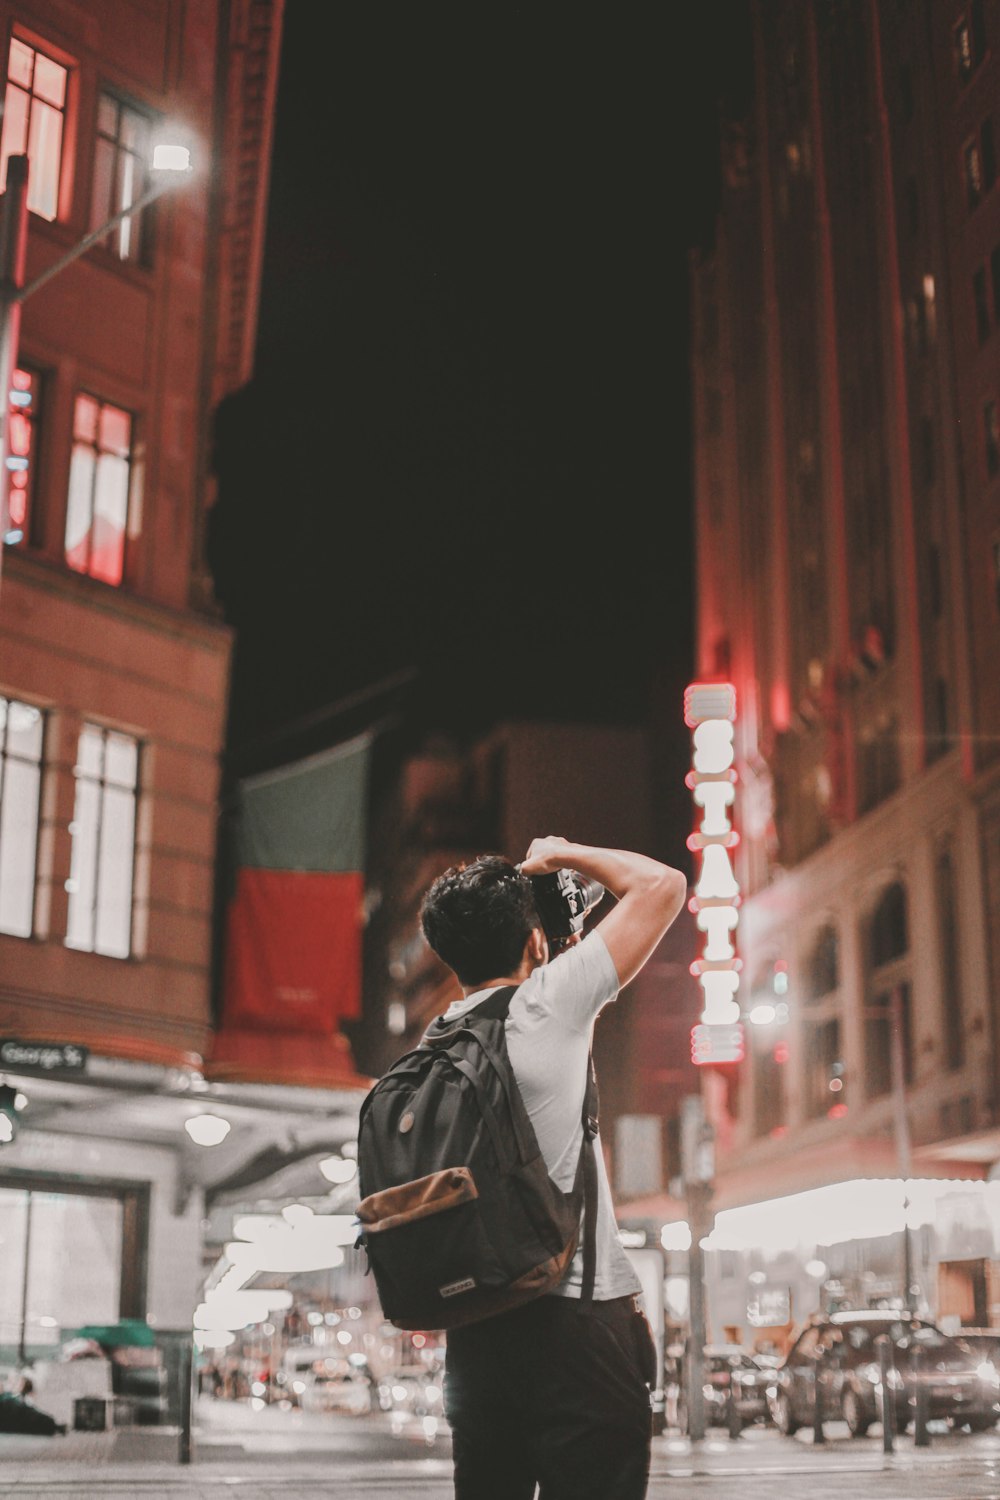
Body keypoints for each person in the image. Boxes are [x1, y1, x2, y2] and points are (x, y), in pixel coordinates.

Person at [419, 835, 687, 1500]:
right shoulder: (547, 1007)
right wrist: (564, 852)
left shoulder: (436, 1043)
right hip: (576, 1330)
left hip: (477, 1339)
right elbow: (662, 886)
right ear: (534, 946)